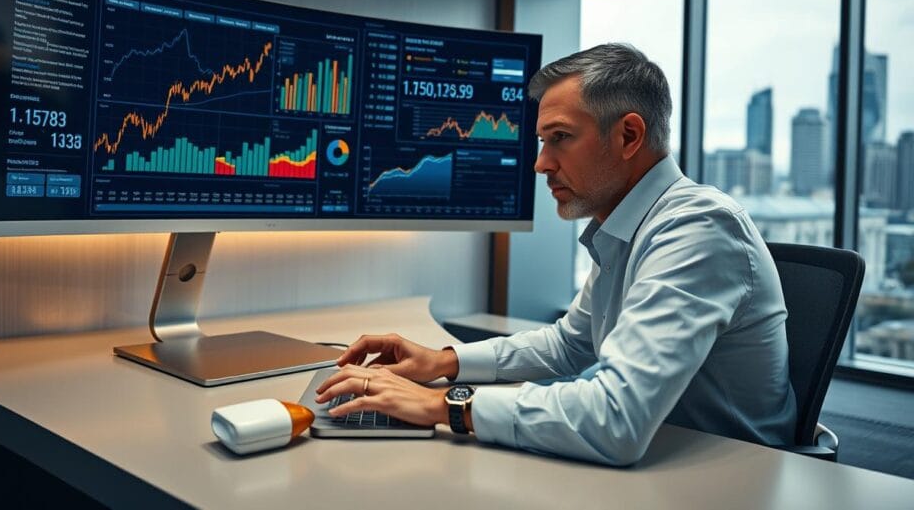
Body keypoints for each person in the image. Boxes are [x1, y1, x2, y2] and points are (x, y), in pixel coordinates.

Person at [315, 44, 797, 466]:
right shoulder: (624, 225)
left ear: (629, 136)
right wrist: (443, 363)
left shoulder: (696, 227)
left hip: (726, 480)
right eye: (543, 141)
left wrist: (448, 405)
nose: (541, 163)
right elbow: (572, 345)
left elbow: (617, 419)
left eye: (560, 138)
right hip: (666, 459)